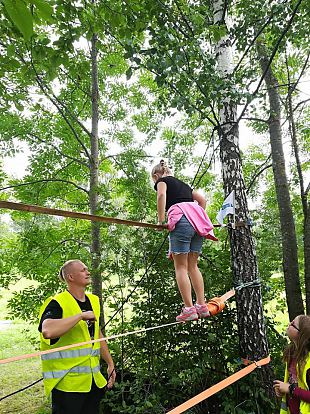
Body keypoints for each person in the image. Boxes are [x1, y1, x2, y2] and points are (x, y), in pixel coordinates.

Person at [38, 259, 116, 414]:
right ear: (70, 277)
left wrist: (110, 363)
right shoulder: (57, 302)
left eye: (87, 269)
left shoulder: (93, 300)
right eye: (82, 270)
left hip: (93, 381)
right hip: (68, 384)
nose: (87, 272)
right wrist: (80, 316)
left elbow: (96, 334)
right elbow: (47, 330)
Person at [151, 159, 217, 323]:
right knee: (193, 266)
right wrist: (195, 215)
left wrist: (160, 221)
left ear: (156, 175)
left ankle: (189, 309)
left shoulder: (162, 181)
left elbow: (161, 195)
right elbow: (202, 201)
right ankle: (201, 305)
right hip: (197, 222)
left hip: (181, 219)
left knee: (180, 266)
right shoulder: (184, 185)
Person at [274, 315, 310, 413]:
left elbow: (293, 389)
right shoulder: (292, 354)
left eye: (293, 324)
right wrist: (283, 391)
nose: (289, 324)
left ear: (301, 334)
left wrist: (291, 389)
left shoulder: (308, 363)